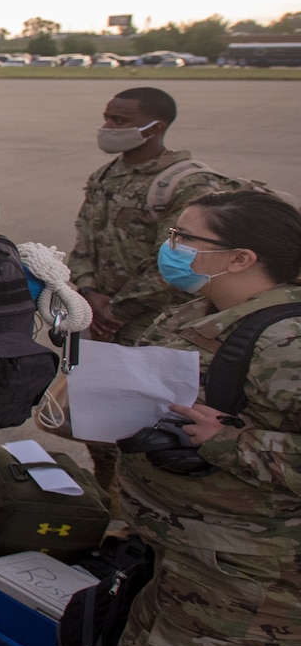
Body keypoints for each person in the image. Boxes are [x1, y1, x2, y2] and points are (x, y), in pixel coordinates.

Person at [112, 191, 301, 646]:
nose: (172, 246)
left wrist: (232, 444)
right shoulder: (211, 309)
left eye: (187, 237)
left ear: (242, 256)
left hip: (254, 574)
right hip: (199, 551)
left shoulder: (287, 342)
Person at [70, 86, 232, 516]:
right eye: (107, 118)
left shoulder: (190, 184)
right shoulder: (107, 175)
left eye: (119, 121)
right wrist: (87, 294)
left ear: (155, 127)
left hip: (153, 329)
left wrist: (115, 310)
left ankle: (141, 518)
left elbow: (179, 266)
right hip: (99, 321)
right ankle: (113, 509)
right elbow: (84, 241)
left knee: (150, 429)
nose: (108, 128)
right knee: (98, 426)